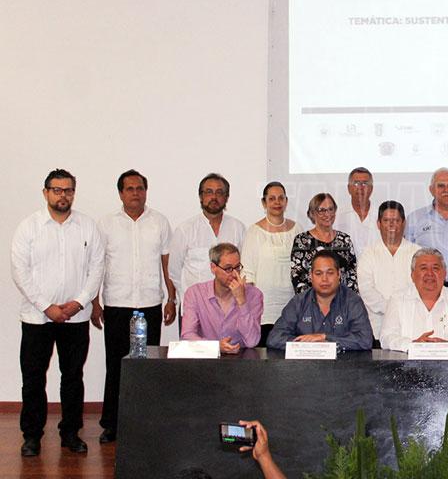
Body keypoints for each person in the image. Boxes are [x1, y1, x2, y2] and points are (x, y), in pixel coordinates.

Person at [11, 169, 105, 456]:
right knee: (33, 378)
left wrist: (79, 302)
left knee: (73, 376)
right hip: (37, 317)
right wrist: (47, 306)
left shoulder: (87, 227)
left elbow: (97, 268)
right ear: (46, 193)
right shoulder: (29, 227)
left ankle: (70, 433)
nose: (63, 195)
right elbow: (20, 271)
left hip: (76, 317)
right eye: (57, 190)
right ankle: (32, 436)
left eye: (68, 190)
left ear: (74, 193)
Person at [92, 169, 175, 444]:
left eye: (140, 188)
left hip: (150, 304)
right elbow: (97, 264)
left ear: (146, 191)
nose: (135, 193)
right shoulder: (106, 224)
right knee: (116, 366)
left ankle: (145, 421)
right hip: (117, 305)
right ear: (120, 193)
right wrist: (94, 301)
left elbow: (167, 264)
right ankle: (112, 424)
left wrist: (171, 298)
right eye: (130, 189)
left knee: (146, 366)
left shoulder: (159, 222)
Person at [168, 173, 246, 314]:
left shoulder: (237, 228)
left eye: (219, 192)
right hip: (195, 310)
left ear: (226, 197)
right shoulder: (185, 230)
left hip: (229, 310)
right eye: (209, 192)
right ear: (201, 196)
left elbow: (243, 268)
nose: (214, 197)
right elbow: (174, 271)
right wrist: (189, 297)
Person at [267, 250, 373, 351]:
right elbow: (274, 338)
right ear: (311, 276)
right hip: (306, 363)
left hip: (343, 363)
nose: (324, 279)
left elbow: (365, 340)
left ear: (338, 274)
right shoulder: (298, 302)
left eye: (330, 273)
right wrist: (307, 343)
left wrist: (325, 338)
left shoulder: (352, 301)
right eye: (318, 273)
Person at [380, 248, 448, 351]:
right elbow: (386, 337)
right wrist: (412, 345)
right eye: (423, 268)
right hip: (408, 361)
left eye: (435, 268)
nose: (430, 273)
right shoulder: (397, 299)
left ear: (445, 274)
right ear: (412, 275)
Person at [241, 182, 301, 348]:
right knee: (264, 355)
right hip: (264, 308)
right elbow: (247, 273)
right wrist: (250, 308)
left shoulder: (297, 229)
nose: (277, 202)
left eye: (281, 198)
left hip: (292, 305)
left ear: (286, 201)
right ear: (264, 202)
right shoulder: (254, 232)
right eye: (272, 198)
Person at [181, 243, 263, 354]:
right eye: (228, 268)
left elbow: (252, 341)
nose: (234, 274)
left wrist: (242, 301)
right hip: (206, 358)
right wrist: (215, 347)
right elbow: (187, 336)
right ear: (213, 268)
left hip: (241, 359)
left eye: (237, 267)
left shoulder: (254, 295)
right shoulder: (195, 293)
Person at [356, 201, 421, 340]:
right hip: (377, 327)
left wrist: (402, 310)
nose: (391, 225)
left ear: (404, 223)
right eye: (386, 220)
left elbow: (420, 287)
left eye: (396, 220)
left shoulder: (417, 253)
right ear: (378, 224)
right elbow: (366, 289)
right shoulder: (368, 253)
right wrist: (392, 309)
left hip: (412, 323)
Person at [290, 193, 358, 294]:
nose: (327, 214)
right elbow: (297, 278)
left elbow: (352, 275)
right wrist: (319, 301)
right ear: (312, 213)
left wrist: (350, 301)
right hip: (312, 302)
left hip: (343, 301)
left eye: (331, 209)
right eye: (322, 210)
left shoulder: (345, 240)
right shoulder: (302, 241)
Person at [336, 167, 378, 256]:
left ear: (371, 188)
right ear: (349, 188)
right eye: (356, 183)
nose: (360, 187)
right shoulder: (337, 217)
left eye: (365, 183)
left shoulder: (381, 216)